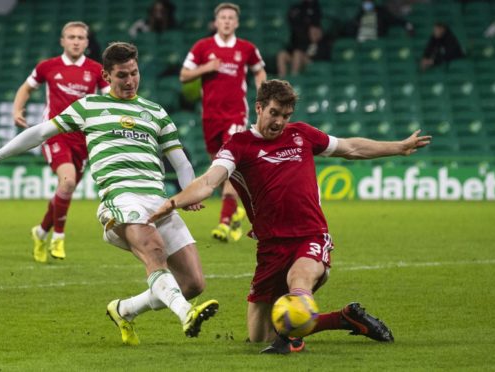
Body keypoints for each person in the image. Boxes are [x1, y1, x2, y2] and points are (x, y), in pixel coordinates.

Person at [0, 42, 219, 344]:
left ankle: (124, 309)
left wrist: (189, 194)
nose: (130, 81)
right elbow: (40, 132)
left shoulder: (155, 112)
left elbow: (181, 161)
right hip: (122, 198)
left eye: (134, 73)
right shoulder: (89, 107)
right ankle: (186, 314)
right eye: (122, 75)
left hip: (158, 201)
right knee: (154, 252)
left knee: (193, 283)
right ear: (106, 76)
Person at [148, 79, 431, 354]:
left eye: (285, 115)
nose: (280, 121)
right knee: (260, 336)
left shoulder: (302, 134)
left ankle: (294, 338)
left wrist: (398, 146)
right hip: (270, 246)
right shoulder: (239, 145)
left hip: (310, 235)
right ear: (258, 108)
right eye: (274, 113)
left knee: (299, 282)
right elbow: (209, 181)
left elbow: (350, 148)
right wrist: (173, 202)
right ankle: (344, 318)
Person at [12, 21, 110, 263]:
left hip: (83, 138)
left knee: (64, 190)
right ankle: (58, 236)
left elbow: (110, 98)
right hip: (55, 133)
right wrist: (17, 109)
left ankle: (40, 232)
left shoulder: (97, 69)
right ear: (62, 41)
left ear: (87, 43)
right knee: (67, 183)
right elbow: (26, 88)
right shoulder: (48, 67)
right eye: (71, 37)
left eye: (80, 37)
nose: (76, 41)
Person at [180, 2, 267, 243]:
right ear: (216, 22)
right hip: (210, 117)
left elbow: (259, 70)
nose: (227, 21)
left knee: (228, 165)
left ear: (237, 22)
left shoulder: (246, 48)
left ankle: (224, 221)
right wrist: (206, 67)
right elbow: (184, 74)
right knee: (219, 170)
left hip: (236, 115)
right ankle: (236, 209)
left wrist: (262, 91)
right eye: (223, 18)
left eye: (231, 18)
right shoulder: (203, 47)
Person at [277, 0, 322, 77]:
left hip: (310, 60)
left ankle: (294, 78)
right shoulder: (301, 39)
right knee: (282, 55)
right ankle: (282, 79)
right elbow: (292, 48)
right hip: (297, 57)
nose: (313, 34)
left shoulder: (321, 43)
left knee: (297, 54)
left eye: (315, 32)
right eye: (312, 31)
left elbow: (319, 57)